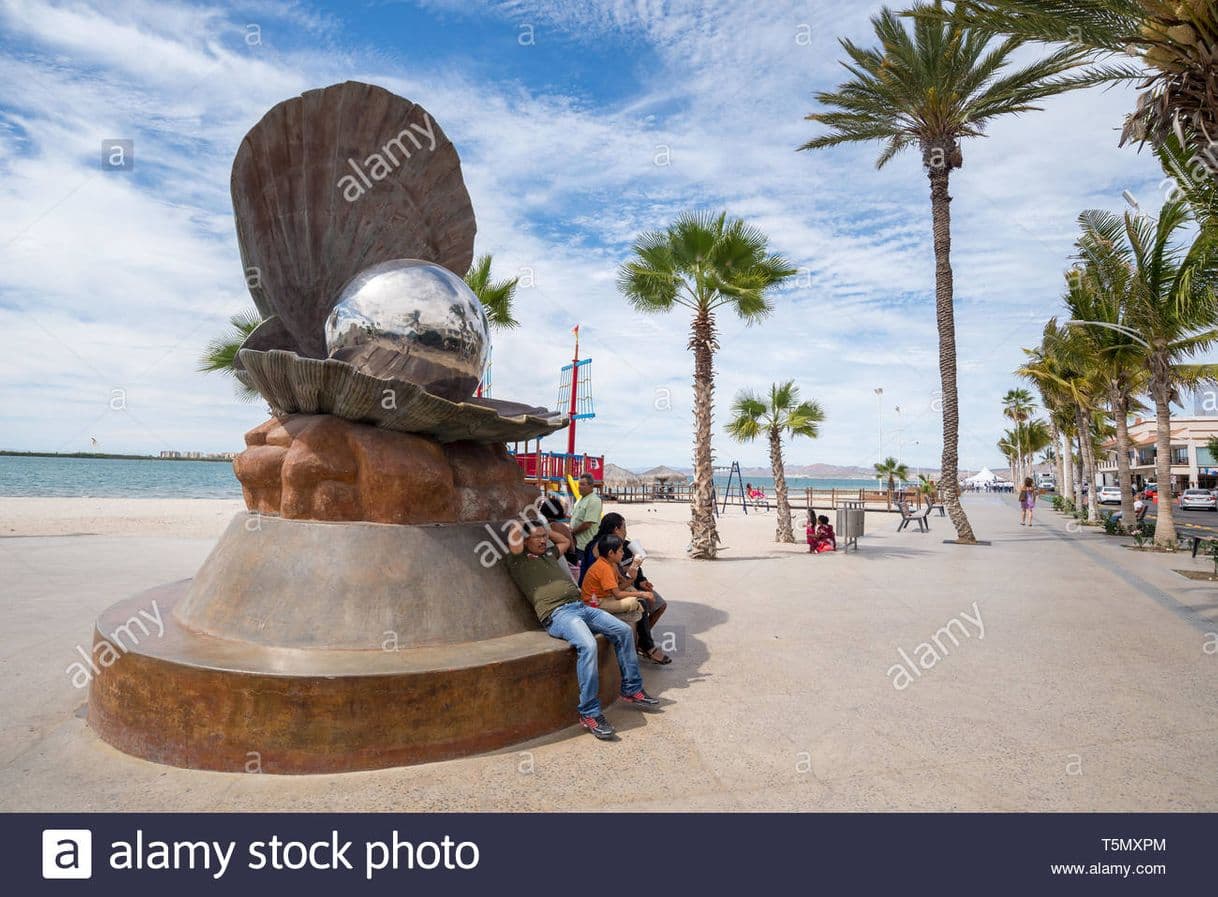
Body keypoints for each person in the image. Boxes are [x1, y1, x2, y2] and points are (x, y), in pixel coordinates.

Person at [503, 520, 659, 740]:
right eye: (537, 537)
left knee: (623, 631)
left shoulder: (548, 554)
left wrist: (544, 531)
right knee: (588, 645)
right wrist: (526, 526)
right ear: (525, 540)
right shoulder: (517, 560)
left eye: (543, 537)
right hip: (558, 614)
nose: (543, 540)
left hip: (581, 607)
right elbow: (513, 533)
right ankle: (589, 713)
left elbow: (565, 540)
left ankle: (631, 689)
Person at [581, 514, 671, 664]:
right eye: (624, 527)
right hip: (602, 593)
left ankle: (642, 640)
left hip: (624, 585)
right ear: (616, 529)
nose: (626, 531)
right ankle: (647, 645)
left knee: (659, 605)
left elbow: (635, 572)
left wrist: (641, 580)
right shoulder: (599, 548)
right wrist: (638, 589)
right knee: (640, 603)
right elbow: (604, 579)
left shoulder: (626, 545)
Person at [568, 473, 603, 554]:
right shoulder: (580, 499)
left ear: (591, 486)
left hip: (585, 545)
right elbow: (575, 516)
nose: (579, 487)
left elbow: (587, 524)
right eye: (579, 484)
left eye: (583, 484)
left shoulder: (594, 500)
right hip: (576, 542)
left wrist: (572, 532)